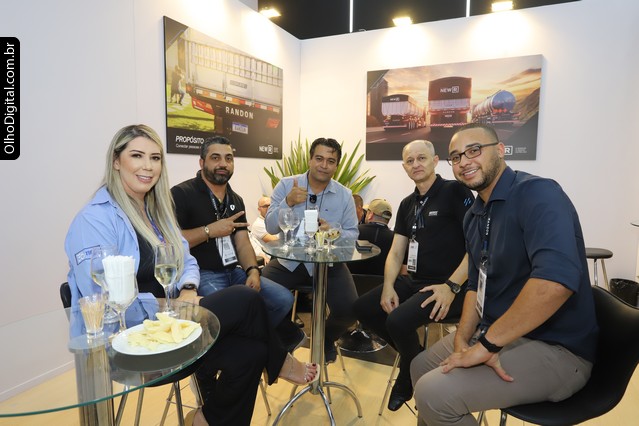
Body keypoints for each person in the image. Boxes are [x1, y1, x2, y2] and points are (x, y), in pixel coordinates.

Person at [64, 125, 317, 426]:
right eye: (137, 156)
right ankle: (281, 361)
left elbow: (187, 260)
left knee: (252, 352)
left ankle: (204, 419)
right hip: (132, 342)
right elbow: (105, 300)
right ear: (116, 161)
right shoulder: (96, 219)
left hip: (173, 327)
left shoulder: (156, 211)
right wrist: (167, 305)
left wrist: (187, 288)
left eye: (155, 158)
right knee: (245, 299)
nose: (148, 166)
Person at [410, 124, 598, 426]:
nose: (464, 162)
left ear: (500, 150)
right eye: (456, 157)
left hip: (557, 349)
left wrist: (486, 346)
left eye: (474, 150)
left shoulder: (538, 193)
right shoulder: (474, 215)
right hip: (498, 333)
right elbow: (476, 285)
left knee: (434, 393)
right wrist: (462, 339)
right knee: (419, 367)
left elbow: (555, 283)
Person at [353, 140, 474, 411]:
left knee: (397, 322)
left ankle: (408, 373)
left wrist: (451, 286)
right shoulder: (408, 204)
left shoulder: (455, 191)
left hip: (453, 286)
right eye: (410, 161)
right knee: (362, 308)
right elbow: (397, 252)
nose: (416, 164)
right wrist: (388, 286)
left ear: (435, 161)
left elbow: (475, 246)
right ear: (404, 166)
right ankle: (416, 358)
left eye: (422, 158)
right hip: (415, 281)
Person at [170, 137, 298, 339]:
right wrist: (209, 231)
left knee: (283, 299)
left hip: (234, 271)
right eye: (215, 158)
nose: (223, 164)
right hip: (201, 274)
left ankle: (252, 342)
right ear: (202, 162)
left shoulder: (235, 199)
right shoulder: (181, 194)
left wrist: (253, 271)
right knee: (229, 311)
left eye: (228, 158)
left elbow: (242, 242)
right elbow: (171, 241)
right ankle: (239, 347)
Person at [262, 137, 359, 362]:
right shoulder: (287, 185)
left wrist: (333, 231)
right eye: (319, 158)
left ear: (336, 166)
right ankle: (290, 334)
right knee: (257, 294)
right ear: (310, 159)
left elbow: (352, 235)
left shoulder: (344, 195)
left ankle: (325, 338)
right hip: (289, 261)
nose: (324, 165)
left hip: (330, 263)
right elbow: (270, 227)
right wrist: (287, 202)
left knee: (350, 310)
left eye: (330, 161)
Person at [347, 198, 394, 276]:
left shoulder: (355, 231)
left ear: (370, 215)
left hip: (353, 280)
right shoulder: (395, 238)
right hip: (382, 282)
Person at [250, 196, 278, 264]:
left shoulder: (275, 220)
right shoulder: (258, 224)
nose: (269, 208)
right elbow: (275, 242)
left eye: (270, 205)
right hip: (273, 258)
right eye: (265, 206)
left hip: (281, 253)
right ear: (259, 209)